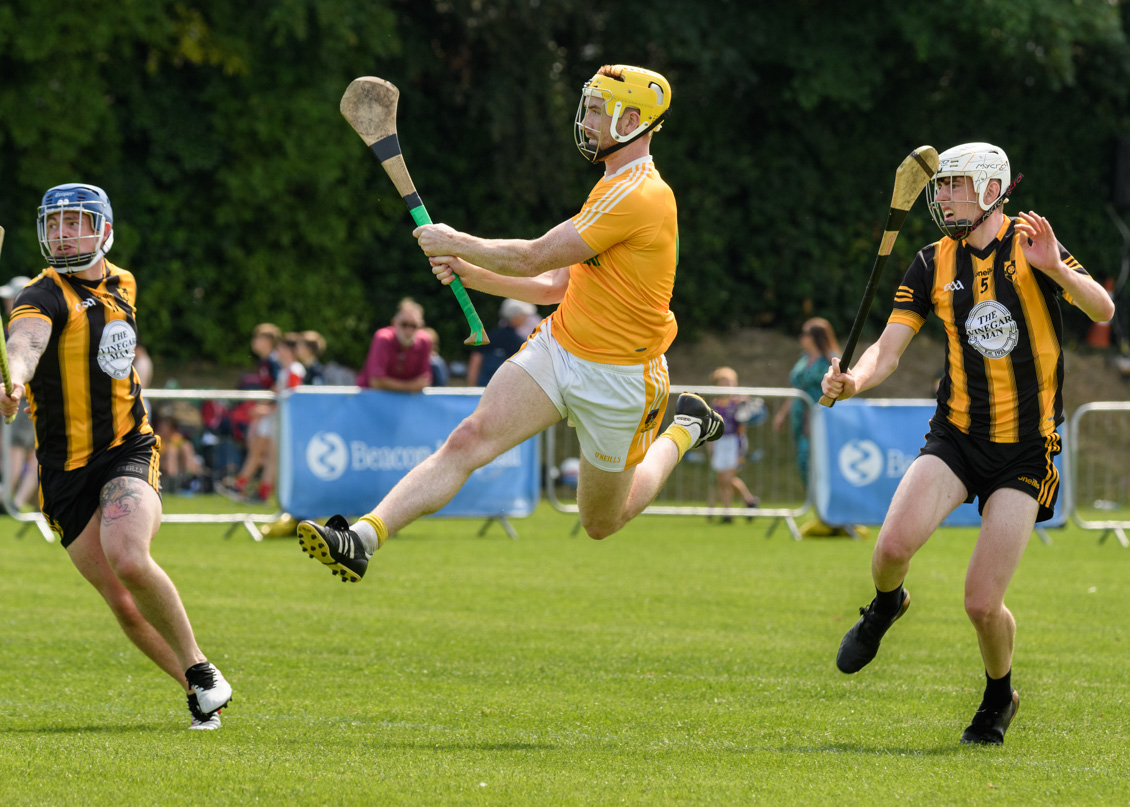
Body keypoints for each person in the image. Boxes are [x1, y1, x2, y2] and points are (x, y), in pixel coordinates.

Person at [297, 64, 724, 580]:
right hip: (560, 348)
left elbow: (533, 257)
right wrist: (471, 274)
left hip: (623, 378)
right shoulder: (608, 187)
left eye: (595, 110)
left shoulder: (641, 196)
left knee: (602, 521)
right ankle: (361, 538)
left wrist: (455, 241)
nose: (585, 120)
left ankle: (685, 428)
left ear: (631, 119)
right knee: (467, 440)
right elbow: (556, 288)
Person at [821, 143, 1116, 745]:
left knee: (982, 603)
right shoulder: (931, 262)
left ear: (990, 190)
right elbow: (887, 348)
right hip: (956, 435)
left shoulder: (1031, 244)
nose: (944, 195)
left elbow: (1103, 308)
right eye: (943, 185)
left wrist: (1057, 267)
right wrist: (855, 379)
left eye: (956, 185)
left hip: (1027, 449)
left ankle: (997, 693)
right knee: (890, 548)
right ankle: (885, 605)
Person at [0, 183, 232, 730]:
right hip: (63, 473)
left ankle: (198, 668)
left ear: (103, 229)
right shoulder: (39, 295)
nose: (62, 235)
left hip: (127, 447)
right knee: (123, 602)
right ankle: (200, 691)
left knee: (128, 557)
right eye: (54, 224)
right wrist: (14, 380)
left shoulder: (124, 282)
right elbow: (26, 345)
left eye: (74, 222)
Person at [772, 317, 855, 537]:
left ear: (815, 336)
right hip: (801, 419)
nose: (801, 338)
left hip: (822, 419)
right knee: (804, 461)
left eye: (805, 333)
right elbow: (795, 389)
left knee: (824, 465)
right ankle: (821, 511)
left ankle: (833, 512)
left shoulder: (832, 360)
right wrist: (782, 415)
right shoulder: (804, 359)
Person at [2, 275, 39, 512]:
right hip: (23, 396)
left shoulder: (23, 328)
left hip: (24, 396)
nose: (6, 302)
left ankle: (10, 500)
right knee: (31, 453)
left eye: (9, 298)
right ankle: (16, 500)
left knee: (20, 449)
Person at [705, 366, 759, 523]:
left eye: (729, 382)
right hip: (720, 442)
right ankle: (748, 501)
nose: (727, 385)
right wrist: (710, 444)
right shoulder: (715, 404)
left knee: (728, 478)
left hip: (735, 442)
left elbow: (747, 419)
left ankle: (728, 512)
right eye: (723, 382)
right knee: (723, 479)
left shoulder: (738, 402)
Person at [356, 298, 433, 392]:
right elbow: (376, 382)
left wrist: (391, 384)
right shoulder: (383, 338)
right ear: (394, 322)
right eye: (404, 324)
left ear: (421, 326)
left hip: (406, 403)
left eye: (414, 325)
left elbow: (424, 382)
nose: (408, 330)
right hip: (370, 401)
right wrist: (410, 387)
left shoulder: (425, 341)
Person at [466, 298, 538, 387]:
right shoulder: (520, 343)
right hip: (507, 392)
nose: (526, 318)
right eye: (524, 315)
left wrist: (471, 388)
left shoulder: (488, 337)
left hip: (482, 390)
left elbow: (475, 362)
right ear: (517, 317)